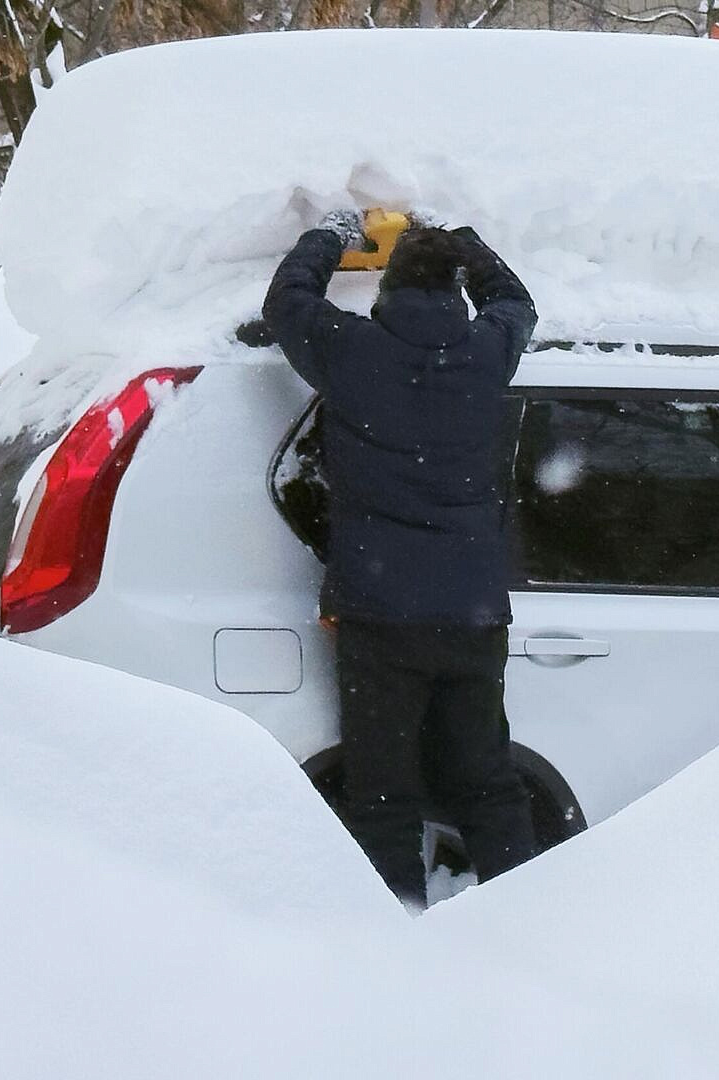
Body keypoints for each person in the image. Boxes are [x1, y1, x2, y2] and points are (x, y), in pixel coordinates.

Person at [262, 210, 539, 909]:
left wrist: (329, 234)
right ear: (456, 290)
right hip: (474, 614)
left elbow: (286, 302)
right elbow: (517, 302)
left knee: (384, 794)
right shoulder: (485, 353)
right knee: (487, 784)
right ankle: (529, 922)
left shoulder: (354, 353)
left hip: (380, 616)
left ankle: (400, 938)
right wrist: (468, 241)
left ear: (387, 288)